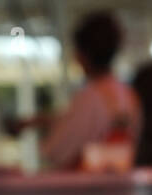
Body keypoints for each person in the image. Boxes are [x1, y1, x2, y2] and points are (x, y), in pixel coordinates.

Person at [41, 12, 139, 170]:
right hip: (118, 186)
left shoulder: (89, 96)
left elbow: (56, 151)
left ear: (82, 55)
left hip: (84, 189)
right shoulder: (128, 94)